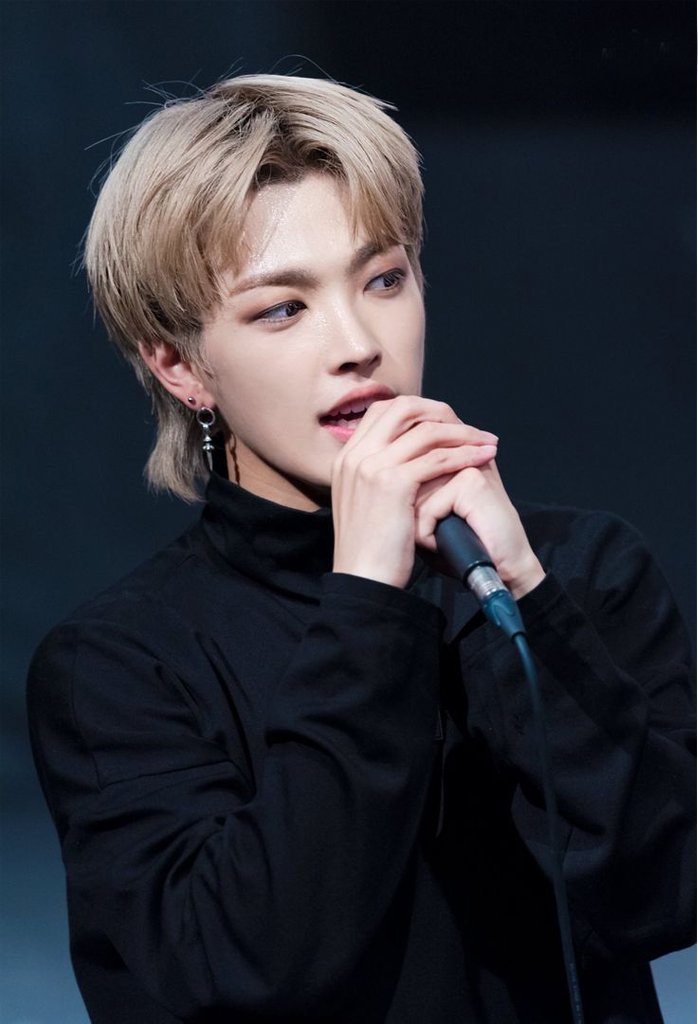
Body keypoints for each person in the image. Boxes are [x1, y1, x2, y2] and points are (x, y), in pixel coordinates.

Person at [27, 74, 694, 1024]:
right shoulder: (121, 665)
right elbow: (241, 972)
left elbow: (666, 897)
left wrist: (525, 593)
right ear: (178, 365)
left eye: (383, 279)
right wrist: (369, 599)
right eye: (281, 309)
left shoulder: (581, 571)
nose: (357, 344)